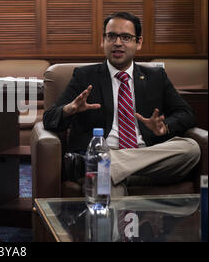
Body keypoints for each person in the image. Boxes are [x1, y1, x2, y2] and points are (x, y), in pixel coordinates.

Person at [43, 12, 200, 194]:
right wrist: (68, 110)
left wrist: (165, 126)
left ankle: (100, 163)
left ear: (138, 42)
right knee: (104, 185)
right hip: (108, 166)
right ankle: (102, 165)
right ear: (103, 41)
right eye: (111, 36)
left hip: (146, 161)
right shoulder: (84, 76)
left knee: (190, 148)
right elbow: (49, 118)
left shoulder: (156, 77)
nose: (118, 43)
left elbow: (187, 114)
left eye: (125, 37)